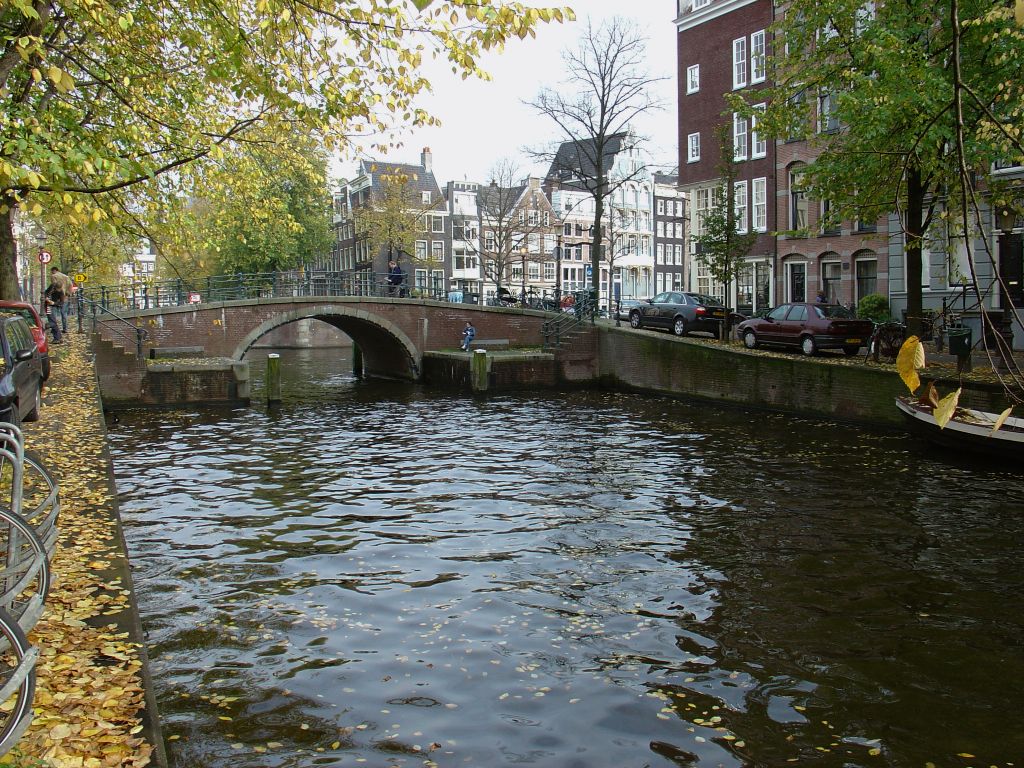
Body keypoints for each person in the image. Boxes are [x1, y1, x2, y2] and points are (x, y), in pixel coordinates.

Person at [50, 266, 75, 333]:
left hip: (56, 296)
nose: (51, 273)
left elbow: (53, 286)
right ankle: (65, 328)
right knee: (64, 313)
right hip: (65, 297)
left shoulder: (54, 276)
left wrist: (50, 294)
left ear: (54, 270)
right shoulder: (66, 277)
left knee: (53, 313)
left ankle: (55, 329)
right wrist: (68, 293)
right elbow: (70, 285)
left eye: (51, 271)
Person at [43, 279, 64, 344]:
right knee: (53, 321)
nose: (56, 290)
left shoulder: (61, 292)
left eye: (58, 289)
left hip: (53, 306)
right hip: (47, 305)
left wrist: (54, 303)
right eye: (56, 289)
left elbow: (61, 303)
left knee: (52, 322)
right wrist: (46, 297)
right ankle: (58, 338)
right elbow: (46, 292)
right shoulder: (52, 286)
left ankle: (46, 326)